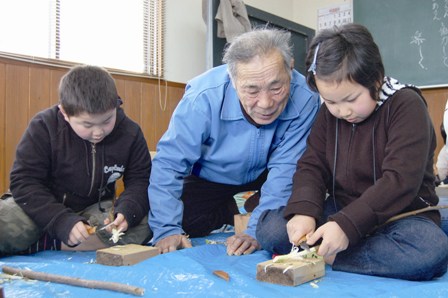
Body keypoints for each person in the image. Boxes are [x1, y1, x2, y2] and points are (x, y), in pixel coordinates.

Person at [256, 23, 448, 281]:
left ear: (376, 80)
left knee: (429, 252)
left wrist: (346, 226)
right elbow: (312, 165)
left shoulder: (405, 105)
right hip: (340, 210)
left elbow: (400, 182)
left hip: (401, 216)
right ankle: (333, 248)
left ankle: (329, 254)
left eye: (351, 99)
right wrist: (304, 211)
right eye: (331, 101)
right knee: (271, 229)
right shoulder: (329, 114)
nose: (342, 111)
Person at [148, 27, 320, 255]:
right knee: (180, 220)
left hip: (269, 174)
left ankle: (257, 206)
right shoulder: (202, 97)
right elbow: (169, 164)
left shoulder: (306, 99)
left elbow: (285, 171)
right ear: (233, 79)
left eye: (276, 87)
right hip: (210, 176)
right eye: (252, 90)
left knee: (275, 231)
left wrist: (254, 231)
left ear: (290, 67)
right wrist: (166, 229)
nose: (266, 103)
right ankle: (231, 209)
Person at [0, 65, 152, 256]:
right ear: (64, 112)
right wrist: (60, 221)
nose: (98, 132)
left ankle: (46, 244)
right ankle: (59, 239)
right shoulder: (44, 127)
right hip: (42, 207)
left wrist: (129, 210)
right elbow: (24, 182)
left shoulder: (131, 132)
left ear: (116, 105)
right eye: (87, 124)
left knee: (147, 222)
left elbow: (140, 180)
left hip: (93, 211)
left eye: (107, 121)